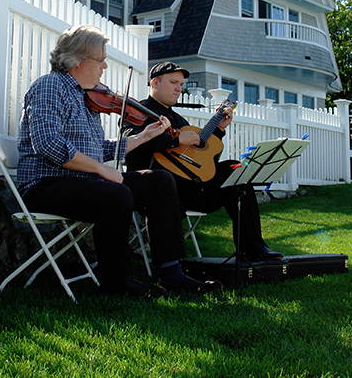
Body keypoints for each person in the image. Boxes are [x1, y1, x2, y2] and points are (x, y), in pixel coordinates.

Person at [16, 26, 223, 298]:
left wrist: (143, 137)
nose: (104, 66)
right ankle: (117, 283)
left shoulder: (86, 96)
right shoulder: (49, 86)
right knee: (116, 194)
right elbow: (48, 144)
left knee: (160, 181)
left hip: (83, 181)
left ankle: (172, 273)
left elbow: (100, 149)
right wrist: (101, 170)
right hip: (45, 184)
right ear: (78, 60)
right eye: (100, 59)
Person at [121, 62, 283, 262]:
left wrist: (219, 129)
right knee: (167, 181)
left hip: (191, 188)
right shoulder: (138, 111)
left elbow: (199, 158)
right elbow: (129, 140)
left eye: (181, 83)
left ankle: (253, 247)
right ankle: (176, 267)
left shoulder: (180, 121)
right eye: (174, 82)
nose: (179, 88)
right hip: (157, 189)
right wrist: (175, 139)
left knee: (235, 170)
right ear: (155, 82)